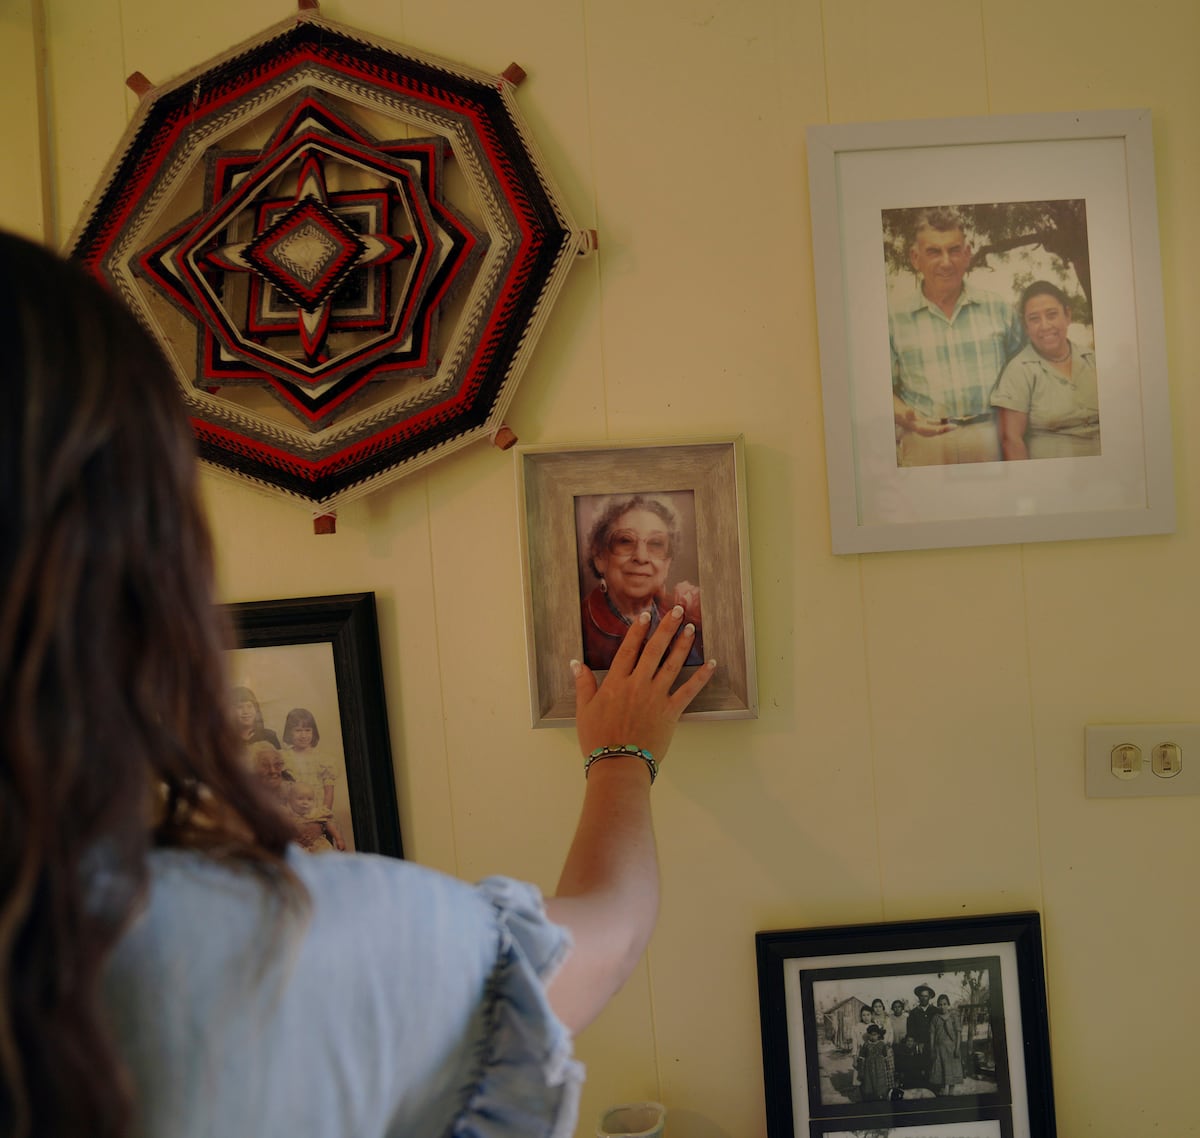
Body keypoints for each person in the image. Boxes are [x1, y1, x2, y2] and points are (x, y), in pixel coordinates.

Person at [0, 229, 715, 1138]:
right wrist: (622, 757)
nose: (644, 560)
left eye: (660, 545)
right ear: (145, 565)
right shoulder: (276, 950)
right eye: (626, 544)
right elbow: (599, 942)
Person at [887, 208, 1023, 467]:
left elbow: (1026, 374)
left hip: (992, 440)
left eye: (954, 250)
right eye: (934, 252)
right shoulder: (893, 319)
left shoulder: (999, 309)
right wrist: (905, 416)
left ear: (967, 254)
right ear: (915, 258)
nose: (946, 262)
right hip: (925, 441)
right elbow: (879, 390)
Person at [581, 494, 705, 672]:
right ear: (599, 556)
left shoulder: (680, 617)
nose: (641, 557)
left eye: (655, 543)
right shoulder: (579, 627)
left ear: (667, 562)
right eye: (625, 541)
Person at [990, 280, 1101, 460]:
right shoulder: (1019, 370)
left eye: (1052, 315)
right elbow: (1011, 440)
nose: (1045, 326)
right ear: (1026, 327)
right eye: (1034, 319)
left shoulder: (1093, 359)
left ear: (1068, 316)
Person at [282, 707, 336, 813]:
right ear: (289, 732)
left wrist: (323, 816)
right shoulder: (283, 757)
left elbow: (328, 792)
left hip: (316, 812)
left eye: (308, 730)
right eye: (298, 731)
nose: (303, 735)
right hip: (292, 815)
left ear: (313, 732)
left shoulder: (323, 760)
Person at [286, 780, 346, 853]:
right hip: (298, 846)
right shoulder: (288, 815)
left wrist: (339, 839)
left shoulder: (316, 813)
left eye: (309, 799)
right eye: (300, 798)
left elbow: (329, 824)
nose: (305, 802)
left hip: (318, 846)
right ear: (290, 800)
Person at [904, 983, 937, 1091]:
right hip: (919, 1046)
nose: (923, 998)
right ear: (918, 997)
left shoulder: (935, 1011)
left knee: (933, 1068)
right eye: (921, 996)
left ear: (930, 997)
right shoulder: (914, 1012)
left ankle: (934, 1091)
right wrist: (916, 1043)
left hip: (933, 1044)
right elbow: (910, 1030)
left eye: (926, 996)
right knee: (920, 1069)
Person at [928, 993, 962, 1095]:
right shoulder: (935, 1018)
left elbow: (958, 1034)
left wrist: (957, 1048)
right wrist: (932, 1049)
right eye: (940, 1004)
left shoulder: (953, 1017)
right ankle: (942, 1095)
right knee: (941, 1074)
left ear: (948, 1004)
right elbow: (932, 1035)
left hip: (951, 1049)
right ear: (938, 1005)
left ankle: (951, 1094)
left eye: (944, 1004)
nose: (942, 1006)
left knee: (952, 1073)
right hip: (939, 1050)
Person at [857, 1024, 892, 1103]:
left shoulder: (882, 1044)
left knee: (880, 1083)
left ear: (878, 1034)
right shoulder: (866, 1045)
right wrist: (861, 1070)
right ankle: (870, 1099)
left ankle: (880, 1098)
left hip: (880, 1068)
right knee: (869, 1083)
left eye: (874, 1035)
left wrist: (888, 1068)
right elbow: (861, 1057)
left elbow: (886, 1057)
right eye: (871, 1035)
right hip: (868, 1068)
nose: (873, 1037)